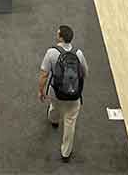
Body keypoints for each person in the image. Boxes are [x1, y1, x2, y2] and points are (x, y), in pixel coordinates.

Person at [39, 24, 87, 162]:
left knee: (55, 106)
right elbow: (85, 73)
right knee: (70, 121)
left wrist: (41, 91)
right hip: (74, 96)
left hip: (56, 92)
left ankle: (54, 121)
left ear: (60, 37)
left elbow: (44, 74)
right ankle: (66, 153)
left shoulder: (51, 53)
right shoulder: (78, 53)